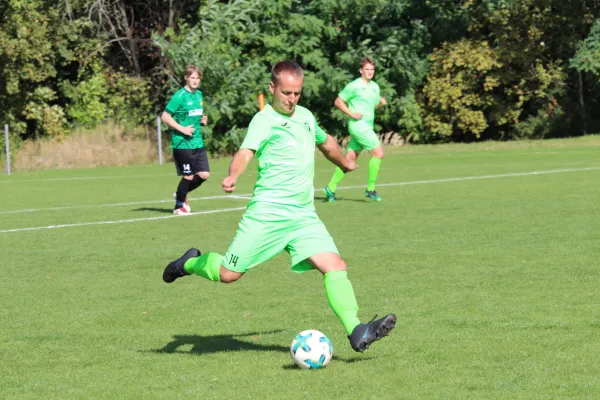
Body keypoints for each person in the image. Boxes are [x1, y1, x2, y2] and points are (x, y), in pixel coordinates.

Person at [162, 60, 396, 353]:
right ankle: (188, 262)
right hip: (267, 215)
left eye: (297, 93)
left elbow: (327, 143)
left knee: (335, 266)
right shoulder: (264, 120)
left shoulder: (307, 117)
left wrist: (345, 163)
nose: (292, 99)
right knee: (228, 274)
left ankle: (356, 330)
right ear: (272, 88)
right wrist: (233, 174)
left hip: (302, 216)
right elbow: (245, 153)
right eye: (286, 92)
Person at [323, 57, 387, 203]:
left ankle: (330, 187)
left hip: (367, 126)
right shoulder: (353, 86)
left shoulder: (375, 87)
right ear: (361, 71)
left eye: (372, 69)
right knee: (378, 153)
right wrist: (351, 114)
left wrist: (381, 103)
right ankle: (370, 189)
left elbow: (372, 105)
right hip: (358, 126)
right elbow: (338, 101)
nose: (370, 72)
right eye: (367, 69)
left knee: (349, 160)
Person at [161, 64, 210, 215]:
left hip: (197, 141)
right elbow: (165, 116)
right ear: (186, 78)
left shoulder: (199, 95)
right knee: (188, 175)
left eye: (197, 78)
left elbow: (194, 115)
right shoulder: (179, 96)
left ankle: (181, 193)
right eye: (192, 77)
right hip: (182, 142)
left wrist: (202, 120)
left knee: (204, 174)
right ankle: (178, 206)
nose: (195, 81)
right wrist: (182, 129)